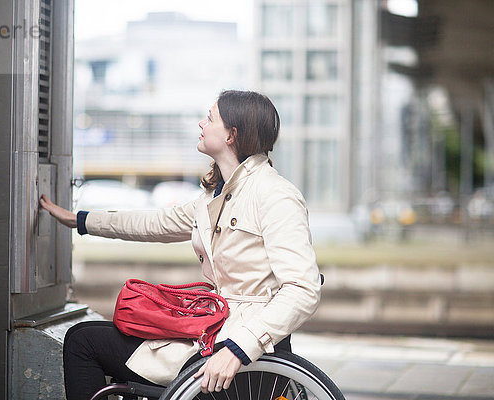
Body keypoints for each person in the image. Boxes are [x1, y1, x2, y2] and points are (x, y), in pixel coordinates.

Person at [40, 90, 322, 400]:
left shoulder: (274, 194)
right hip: (215, 329)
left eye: (210, 118)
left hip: (242, 348)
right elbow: (153, 223)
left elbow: (302, 289)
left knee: (85, 343)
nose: (202, 123)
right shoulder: (215, 197)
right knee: (82, 335)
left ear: (232, 134)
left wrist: (241, 348)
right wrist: (80, 220)